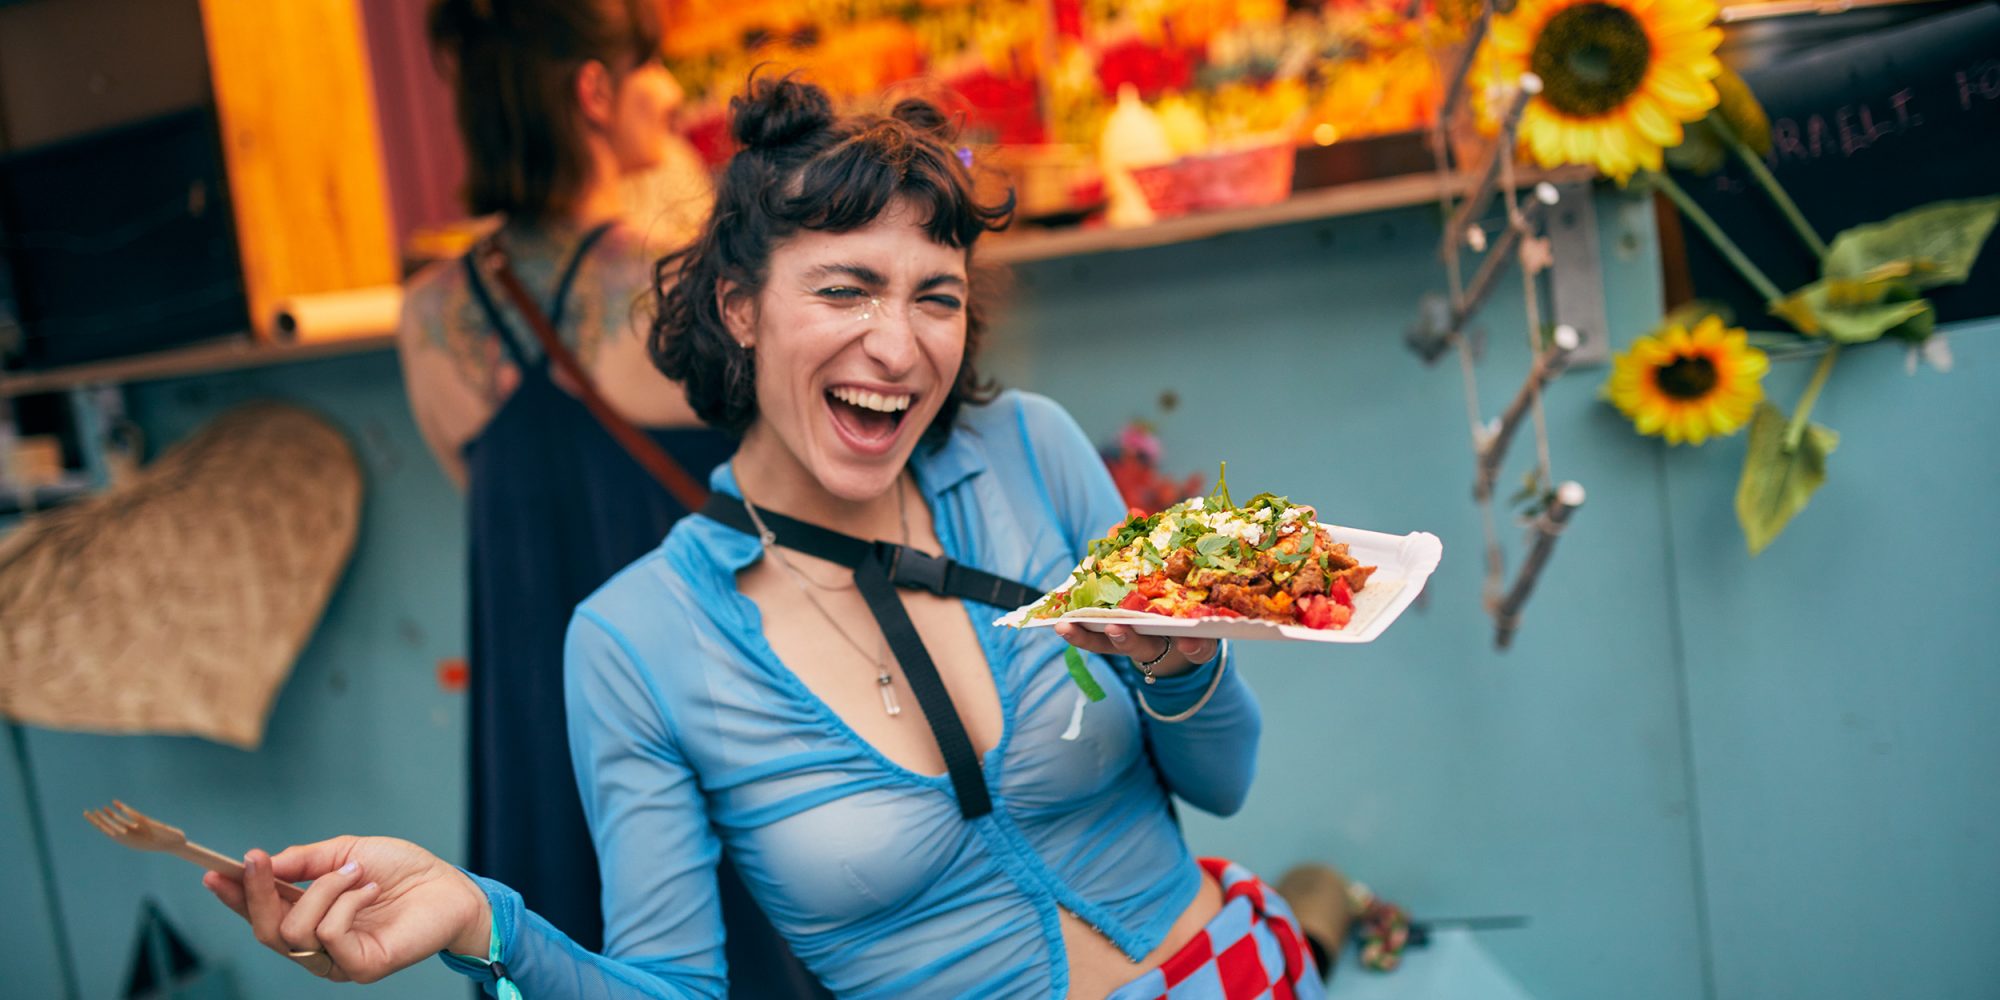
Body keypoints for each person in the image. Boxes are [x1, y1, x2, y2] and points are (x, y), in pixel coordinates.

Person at [203, 75, 1321, 1000]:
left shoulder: (1029, 451)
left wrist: (1182, 662)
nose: (897, 345)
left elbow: (1222, 779)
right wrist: (480, 921)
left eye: (935, 296)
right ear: (739, 307)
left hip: (1237, 968)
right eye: (845, 289)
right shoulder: (636, 639)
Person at [398, 4, 821, 996]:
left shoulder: (426, 317)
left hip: (536, 724)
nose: (672, 96)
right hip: (695, 703)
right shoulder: (685, 282)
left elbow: (485, 497)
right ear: (594, 92)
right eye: (653, 70)